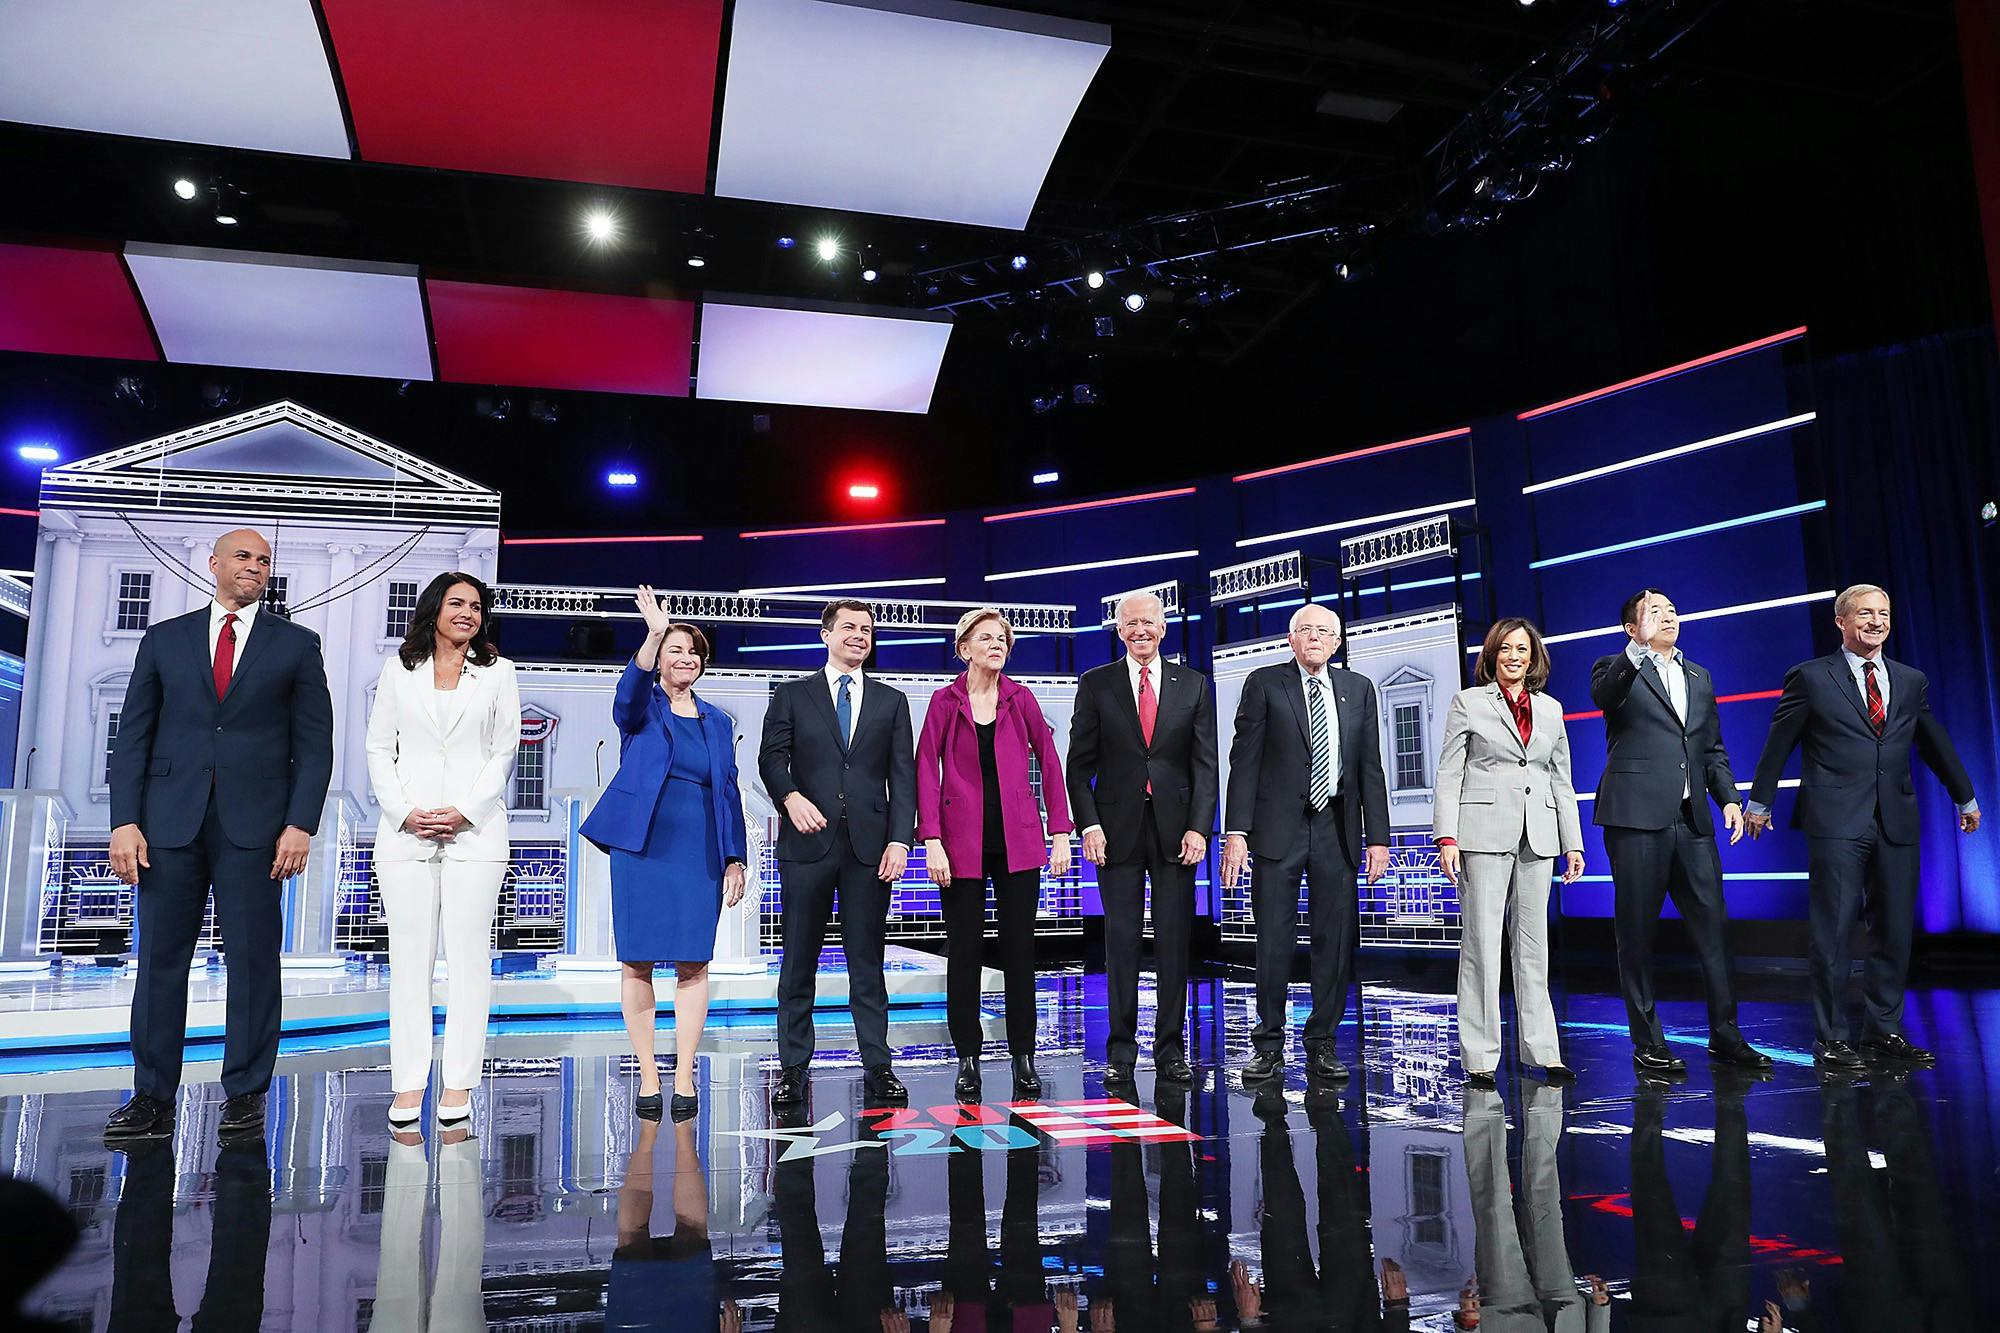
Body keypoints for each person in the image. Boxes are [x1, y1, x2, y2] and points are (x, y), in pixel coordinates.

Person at [103, 528, 334, 1144]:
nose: (255, 567)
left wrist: (299, 823)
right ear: (213, 564)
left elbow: (315, 746)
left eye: (264, 560)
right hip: (166, 823)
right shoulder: (165, 639)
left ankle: (246, 1094)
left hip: (257, 828)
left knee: (254, 961)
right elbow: (134, 737)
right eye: (243, 556)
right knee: (159, 962)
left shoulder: (297, 645)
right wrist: (124, 820)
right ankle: (152, 1095)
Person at [1745, 584, 1980, 1071]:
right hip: (1835, 818)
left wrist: (1966, 795)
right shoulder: (1811, 677)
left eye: (1884, 613)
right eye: (1866, 613)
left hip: (1896, 816)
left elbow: (1933, 741)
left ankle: (1883, 1031)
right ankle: (1831, 1037)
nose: (1876, 621)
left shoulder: (1910, 680)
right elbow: (1778, 743)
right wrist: (1760, 802)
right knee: (1832, 931)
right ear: (1842, 621)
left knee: (1894, 929)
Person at [581, 590, 747, 1121]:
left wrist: (734, 857)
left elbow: (729, 790)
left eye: (693, 652)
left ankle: (684, 1074)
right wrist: (652, 634)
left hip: (698, 849)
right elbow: (626, 695)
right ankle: (650, 1074)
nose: (686, 659)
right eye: (676, 649)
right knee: (639, 959)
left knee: (694, 961)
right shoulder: (642, 708)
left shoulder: (719, 722)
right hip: (643, 847)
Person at [1592, 589, 1772, 1077]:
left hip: (1693, 821)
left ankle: (1726, 1034)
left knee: (1714, 929)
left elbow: (1711, 747)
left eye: (1671, 610)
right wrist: (1638, 650)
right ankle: (1648, 1041)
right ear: (1632, 627)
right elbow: (1605, 697)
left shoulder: (1699, 676)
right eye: (1654, 612)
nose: (1667, 617)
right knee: (1636, 934)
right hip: (1636, 820)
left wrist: (1730, 799)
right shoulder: (1615, 666)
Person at [366, 571, 521, 1130]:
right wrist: (405, 811)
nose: (468, 613)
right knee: (409, 964)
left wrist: (463, 811)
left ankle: (458, 1083)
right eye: (457, 603)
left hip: (475, 834)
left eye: (477, 606)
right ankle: (408, 1084)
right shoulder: (398, 670)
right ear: (434, 610)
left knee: (468, 963)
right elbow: (379, 748)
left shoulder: (498, 673)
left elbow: (504, 752)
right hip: (405, 833)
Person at [1220, 603, 1390, 1086]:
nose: (1315, 637)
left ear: (1337, 643)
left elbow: (1369, 768)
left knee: (1333, 943)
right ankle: (1268, 1045)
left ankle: (1322, 1044)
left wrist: (1377, 835)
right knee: (1273, 939)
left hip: (1336, 827)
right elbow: (1244, 762)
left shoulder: (1358, 689)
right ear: (1291, 639)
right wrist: (1237, 832)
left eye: (1324, 631)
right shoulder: (1265, 682)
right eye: (1305, 630)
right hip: (1279, 829)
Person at [758, 598, 917, 1108]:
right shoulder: (792, 695)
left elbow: (903, 777)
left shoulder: (892, 702)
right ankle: (792, 1069)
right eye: (848, 627)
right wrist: (789, 796)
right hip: (807, 842)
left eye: (867, 629)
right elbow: (770, 756)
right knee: (799, 961)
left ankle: (879, 1065)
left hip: (870, 850)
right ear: (825, 634)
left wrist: (900, 838)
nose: (859, 635)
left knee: (866, 962)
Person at [917, 608, 1075, 1100]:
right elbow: (926, 767)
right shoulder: (945, 702)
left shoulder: (1020, 698)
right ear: (963, 648)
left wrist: (1061, 831)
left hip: (1018, 841)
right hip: (960, 843)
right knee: (963, 952)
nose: (997, 645)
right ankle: (968, 1057)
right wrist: (932, 839)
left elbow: (1049, 763)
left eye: (1003, 639)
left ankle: (1023, 1057)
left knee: (1019, 951)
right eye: (986, 638)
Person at [1067, 591, 1218, 1089]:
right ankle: (1121, 1051)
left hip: (1178, 831)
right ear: (1118, 629)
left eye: (1148, 622)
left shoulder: (1193, 685)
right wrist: (1088, 825)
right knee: (1122, 942)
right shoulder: (1096, 684)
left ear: (1163, 627)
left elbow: (1205, 765)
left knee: (1176, 942)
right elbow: (1078, 766)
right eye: (1130, 623)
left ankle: (1171, 1049)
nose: (1140, 630)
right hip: (1114, 831)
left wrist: (1199, 826)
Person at [1433, 618, 1584, 1084]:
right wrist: (1447, 837)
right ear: (1492, 655)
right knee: (1481, 945)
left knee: (1534, 947)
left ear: (1534, 657)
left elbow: (1561, 779)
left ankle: (1543, 1051)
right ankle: (1479, 1057)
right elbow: (1449, 773)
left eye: (1523, 649)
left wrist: (1572, 843)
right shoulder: (1469, 702)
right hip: (1481, 834)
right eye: (1505, 649)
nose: (1514, 656)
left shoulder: (1552, 709)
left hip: (1538, 836)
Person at [1457, 1080, 1609, 1332]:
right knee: (1546, 1204)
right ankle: (1544, 1101)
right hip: (1566, 1318)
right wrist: (1600, 1312)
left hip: (1505, 1318)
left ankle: (1481, 1102)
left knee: (1494, 1210)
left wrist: (1469, 1325)